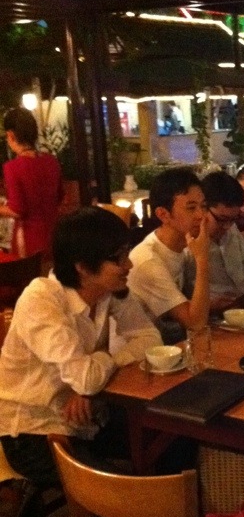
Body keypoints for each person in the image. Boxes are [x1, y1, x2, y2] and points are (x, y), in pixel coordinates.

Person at [0, 207, 162, 488]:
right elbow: (86, 378)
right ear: (82, 267)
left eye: (127, 253)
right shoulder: (42, 298)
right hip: (33, 431)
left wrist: (94, 380)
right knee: (124, 493)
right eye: (118, 258)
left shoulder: (110, 290)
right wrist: (97, 367)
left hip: (90, 416)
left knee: (173, 441)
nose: (129, 265)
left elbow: (150, 338)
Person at [128, 168, 210, 344]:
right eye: (191, 208)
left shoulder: (185, 247)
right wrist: (202, 258)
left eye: (203, 206)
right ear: (163, 214)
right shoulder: (148, 260)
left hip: (164, 341)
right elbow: (195, 323)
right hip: (138, 351)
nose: (201, 215)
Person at [0, 107, 63, 260]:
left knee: (29, 274)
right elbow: (60, 196)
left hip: (29, 241)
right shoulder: (51, 161)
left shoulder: (12, 168)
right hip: (55, 235)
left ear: (11, 135)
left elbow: (17, 210)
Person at [199, 171, 244, 310]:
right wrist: (210, 305)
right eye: (221, 219)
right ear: (202, 208)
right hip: (215, 316)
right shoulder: (187, 246)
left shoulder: (232, 230)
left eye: (233, 219)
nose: (227, 226)